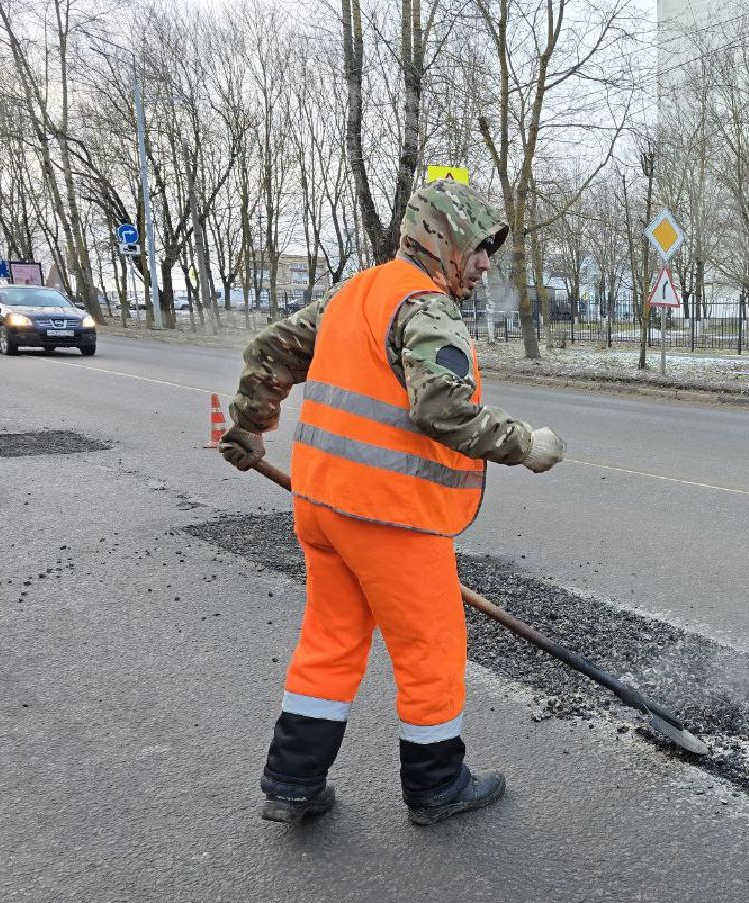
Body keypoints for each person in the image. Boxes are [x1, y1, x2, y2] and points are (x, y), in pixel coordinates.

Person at [217, 180, 565, 826]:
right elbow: (442, 409)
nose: (485, 262)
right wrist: (525, 445)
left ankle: (292, 781)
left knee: (331, 638)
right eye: (478, 247)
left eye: (490, 250)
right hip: (388, 515)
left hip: (322, 506)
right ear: (442, 240)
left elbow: (273, 348)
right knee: (432, 643)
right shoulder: (426, 307)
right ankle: (436, 786)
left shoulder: (355, 293)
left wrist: (248, 424)